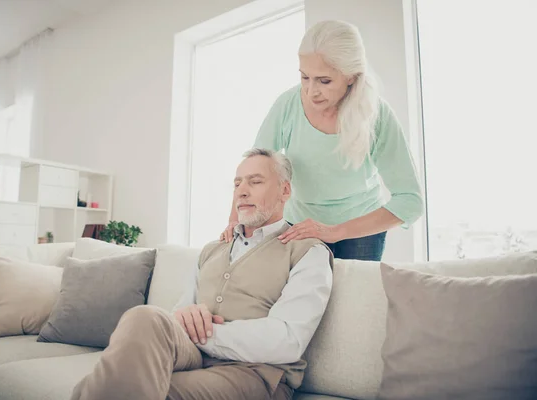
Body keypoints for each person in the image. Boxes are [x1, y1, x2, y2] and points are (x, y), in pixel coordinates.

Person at [71, 148, 333, 400]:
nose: (242, 191)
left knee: (101, 388)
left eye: (255, 182)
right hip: (193, 357)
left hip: (256, 374)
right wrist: (182, 316)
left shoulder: (308, 252)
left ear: (284, 190)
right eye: (237, 184)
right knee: (144, 316)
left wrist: (202, 335)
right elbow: (181, 311)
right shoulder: (212, 250)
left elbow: (286, 340)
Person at [221, 20, 424, 261]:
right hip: (300, 226)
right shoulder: (287, 105)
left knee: (352, 297)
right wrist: (235, 223)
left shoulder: (376, 114)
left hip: (360, 232)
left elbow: (410, 201)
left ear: (351, 77)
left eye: (324, 81)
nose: (310, 91)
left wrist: (335, 232)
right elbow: (255, 170)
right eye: (305, 77)